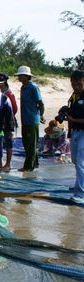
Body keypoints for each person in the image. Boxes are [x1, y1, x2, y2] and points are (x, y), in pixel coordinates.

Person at [15, 66, 46, 172]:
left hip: (32, 119)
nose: (19, 77)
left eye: (20, 75)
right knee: (27, 142)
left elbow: (40, 103)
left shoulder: (33, 87)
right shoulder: (23, 87)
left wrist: (41, 115)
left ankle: (28, 166)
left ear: (26, 76)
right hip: (25, 119)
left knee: (31, 144)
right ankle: (35, 162)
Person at [65, 70, 84, 204]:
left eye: (79, 84)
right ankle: (78, 185)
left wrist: (74, 120)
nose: (76, 87)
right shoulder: (74, 97)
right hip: (75, 132)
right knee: (75, 160)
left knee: (81, 163)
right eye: (74, 84)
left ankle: (81, 193)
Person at [0, 73, 19, 172]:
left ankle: (8, 164)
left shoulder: (9, 94)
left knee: (8, 143)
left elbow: (14, 109)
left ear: (4, 82)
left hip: (8, 123)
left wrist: (6, 118)